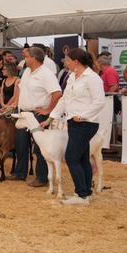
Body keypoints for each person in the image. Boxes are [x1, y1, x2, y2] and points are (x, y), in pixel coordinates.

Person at [45, 48, 105, 205]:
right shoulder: (72, 76)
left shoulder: (92, 78)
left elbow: (99, 102)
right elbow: (64, 100)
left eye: (67, 59)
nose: (65, 62)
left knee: (71, 157)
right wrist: (52, 117)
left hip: (86, 123)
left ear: (76, 61)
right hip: (73, 122)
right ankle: (87, 193)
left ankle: (81, 194)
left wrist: (83, 115)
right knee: (82, 157)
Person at [10, 46, 62, 185]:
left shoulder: (46, 73)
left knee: (40, 147)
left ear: (34, 58)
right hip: (24, 113)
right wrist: (15, 103)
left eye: (26, 57)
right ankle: (20, 173)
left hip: (38, 114)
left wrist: (48, 109)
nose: (24, 59)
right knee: (20, 144)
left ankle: (42, 177)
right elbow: (21, 89)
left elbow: (57, 93)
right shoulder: (27, 71)